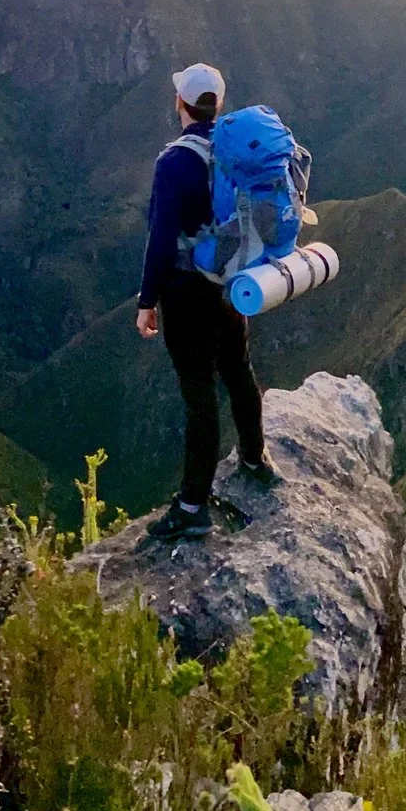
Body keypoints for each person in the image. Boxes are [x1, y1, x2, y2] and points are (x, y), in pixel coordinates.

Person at [135, 62, 278, 539]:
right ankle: (256, 458)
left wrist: (147, 299)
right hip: (232, 283)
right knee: (238, 369)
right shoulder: (237, 150)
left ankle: (193, 505)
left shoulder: (175, 162)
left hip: (186, 289)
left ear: (181, 104)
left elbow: (161, 238)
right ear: (218, 102)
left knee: (198, 395)